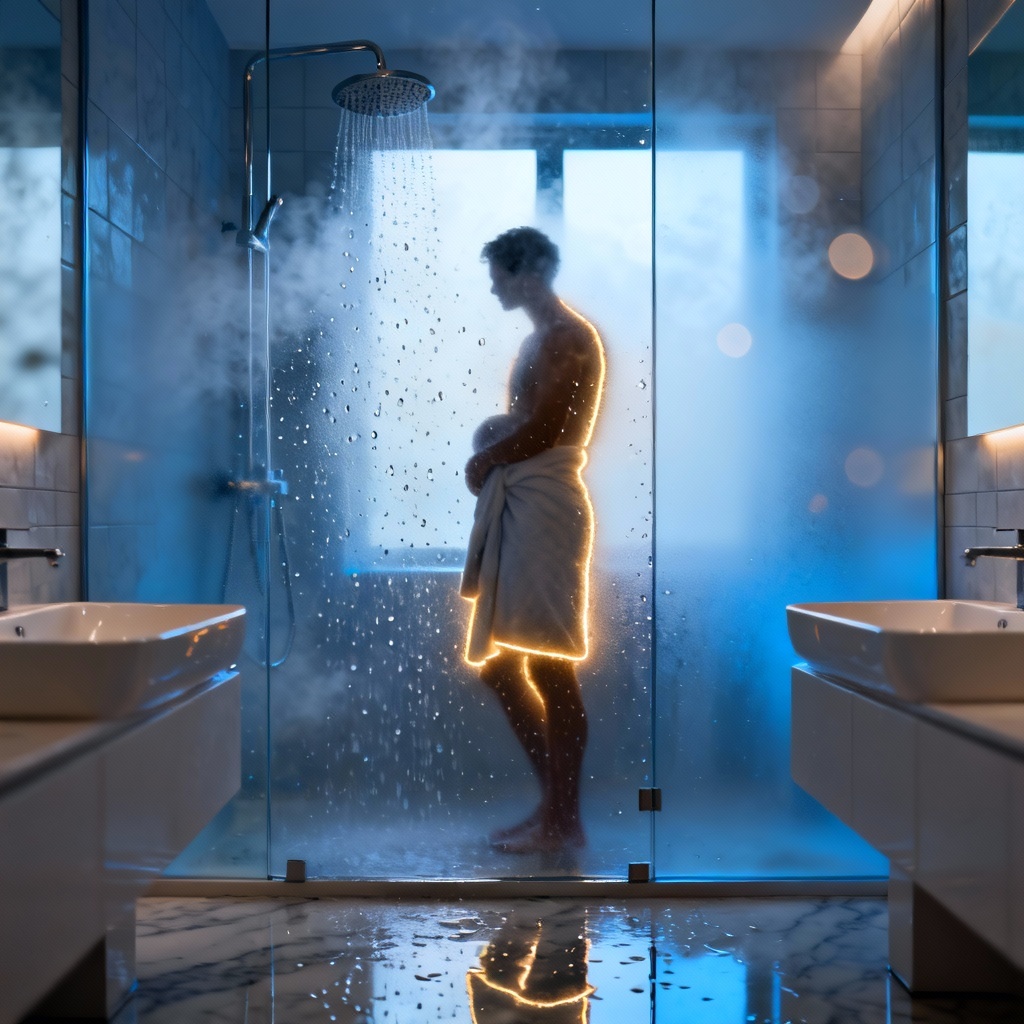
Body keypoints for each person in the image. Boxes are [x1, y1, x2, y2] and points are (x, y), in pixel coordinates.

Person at [460, 227, 605, 854]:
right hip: (527, 505)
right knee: (499, 667)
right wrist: (495, 438)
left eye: (499, 275)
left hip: (546, 508)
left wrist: (485, 457)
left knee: (550, 666)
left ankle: (563, 821)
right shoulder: (540, 339)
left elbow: (547, 428)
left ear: (528, 274)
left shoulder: (569, 337)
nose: (494, 286)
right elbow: (530, 420)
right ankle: (553, 805)